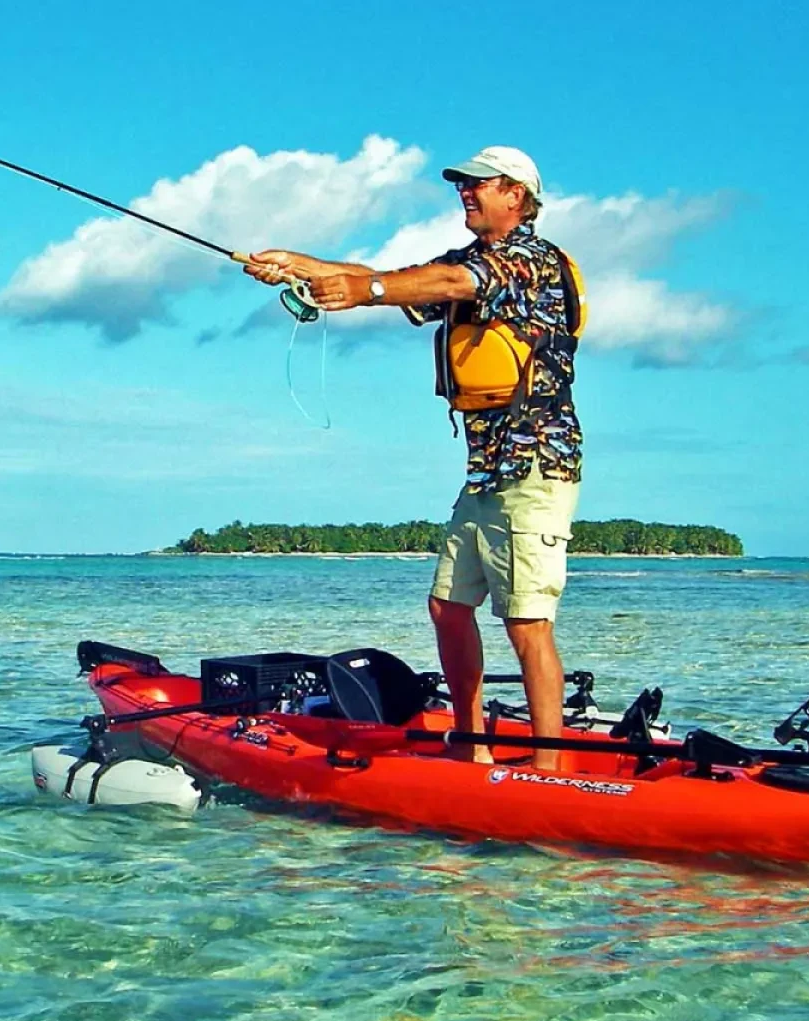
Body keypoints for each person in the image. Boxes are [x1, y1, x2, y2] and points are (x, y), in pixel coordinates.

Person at [244, 145, 585, 770]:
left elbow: (446, 284)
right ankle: (473, 747)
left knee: (526, 621)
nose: (465, 191)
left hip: (537, 466)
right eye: (462, 183)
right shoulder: (468, 261)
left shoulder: (530, 259)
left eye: (480, 183)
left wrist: (364, 290)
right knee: (447, 607)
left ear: (517, 195)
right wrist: (300, 266)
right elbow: (402, 278)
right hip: (486, 471)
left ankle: (549, 767)